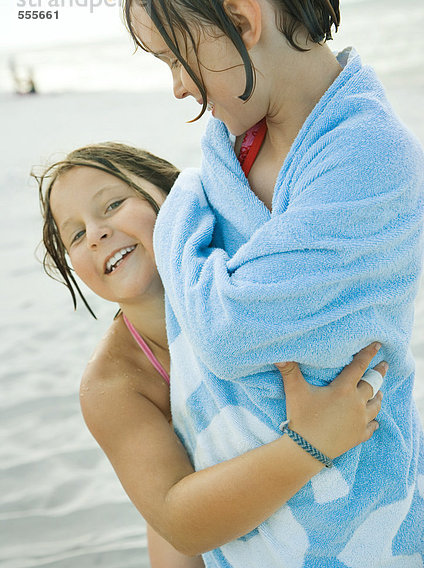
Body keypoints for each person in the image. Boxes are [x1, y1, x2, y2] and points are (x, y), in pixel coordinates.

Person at [123, 0, 424, 565]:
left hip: (356, 518)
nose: (179, 87)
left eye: (176, 59)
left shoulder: (371, 155)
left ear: (241, 21)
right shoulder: (238, 146)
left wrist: (176, 211)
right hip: (255, 516)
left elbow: (229, 333)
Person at [35, 142, 386, 567]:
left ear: (173, 197)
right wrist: (310, 444)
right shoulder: (116, 382)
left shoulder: (245, 269)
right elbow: (177, 521)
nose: (95, 234)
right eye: (75, 234)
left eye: (112, 205)